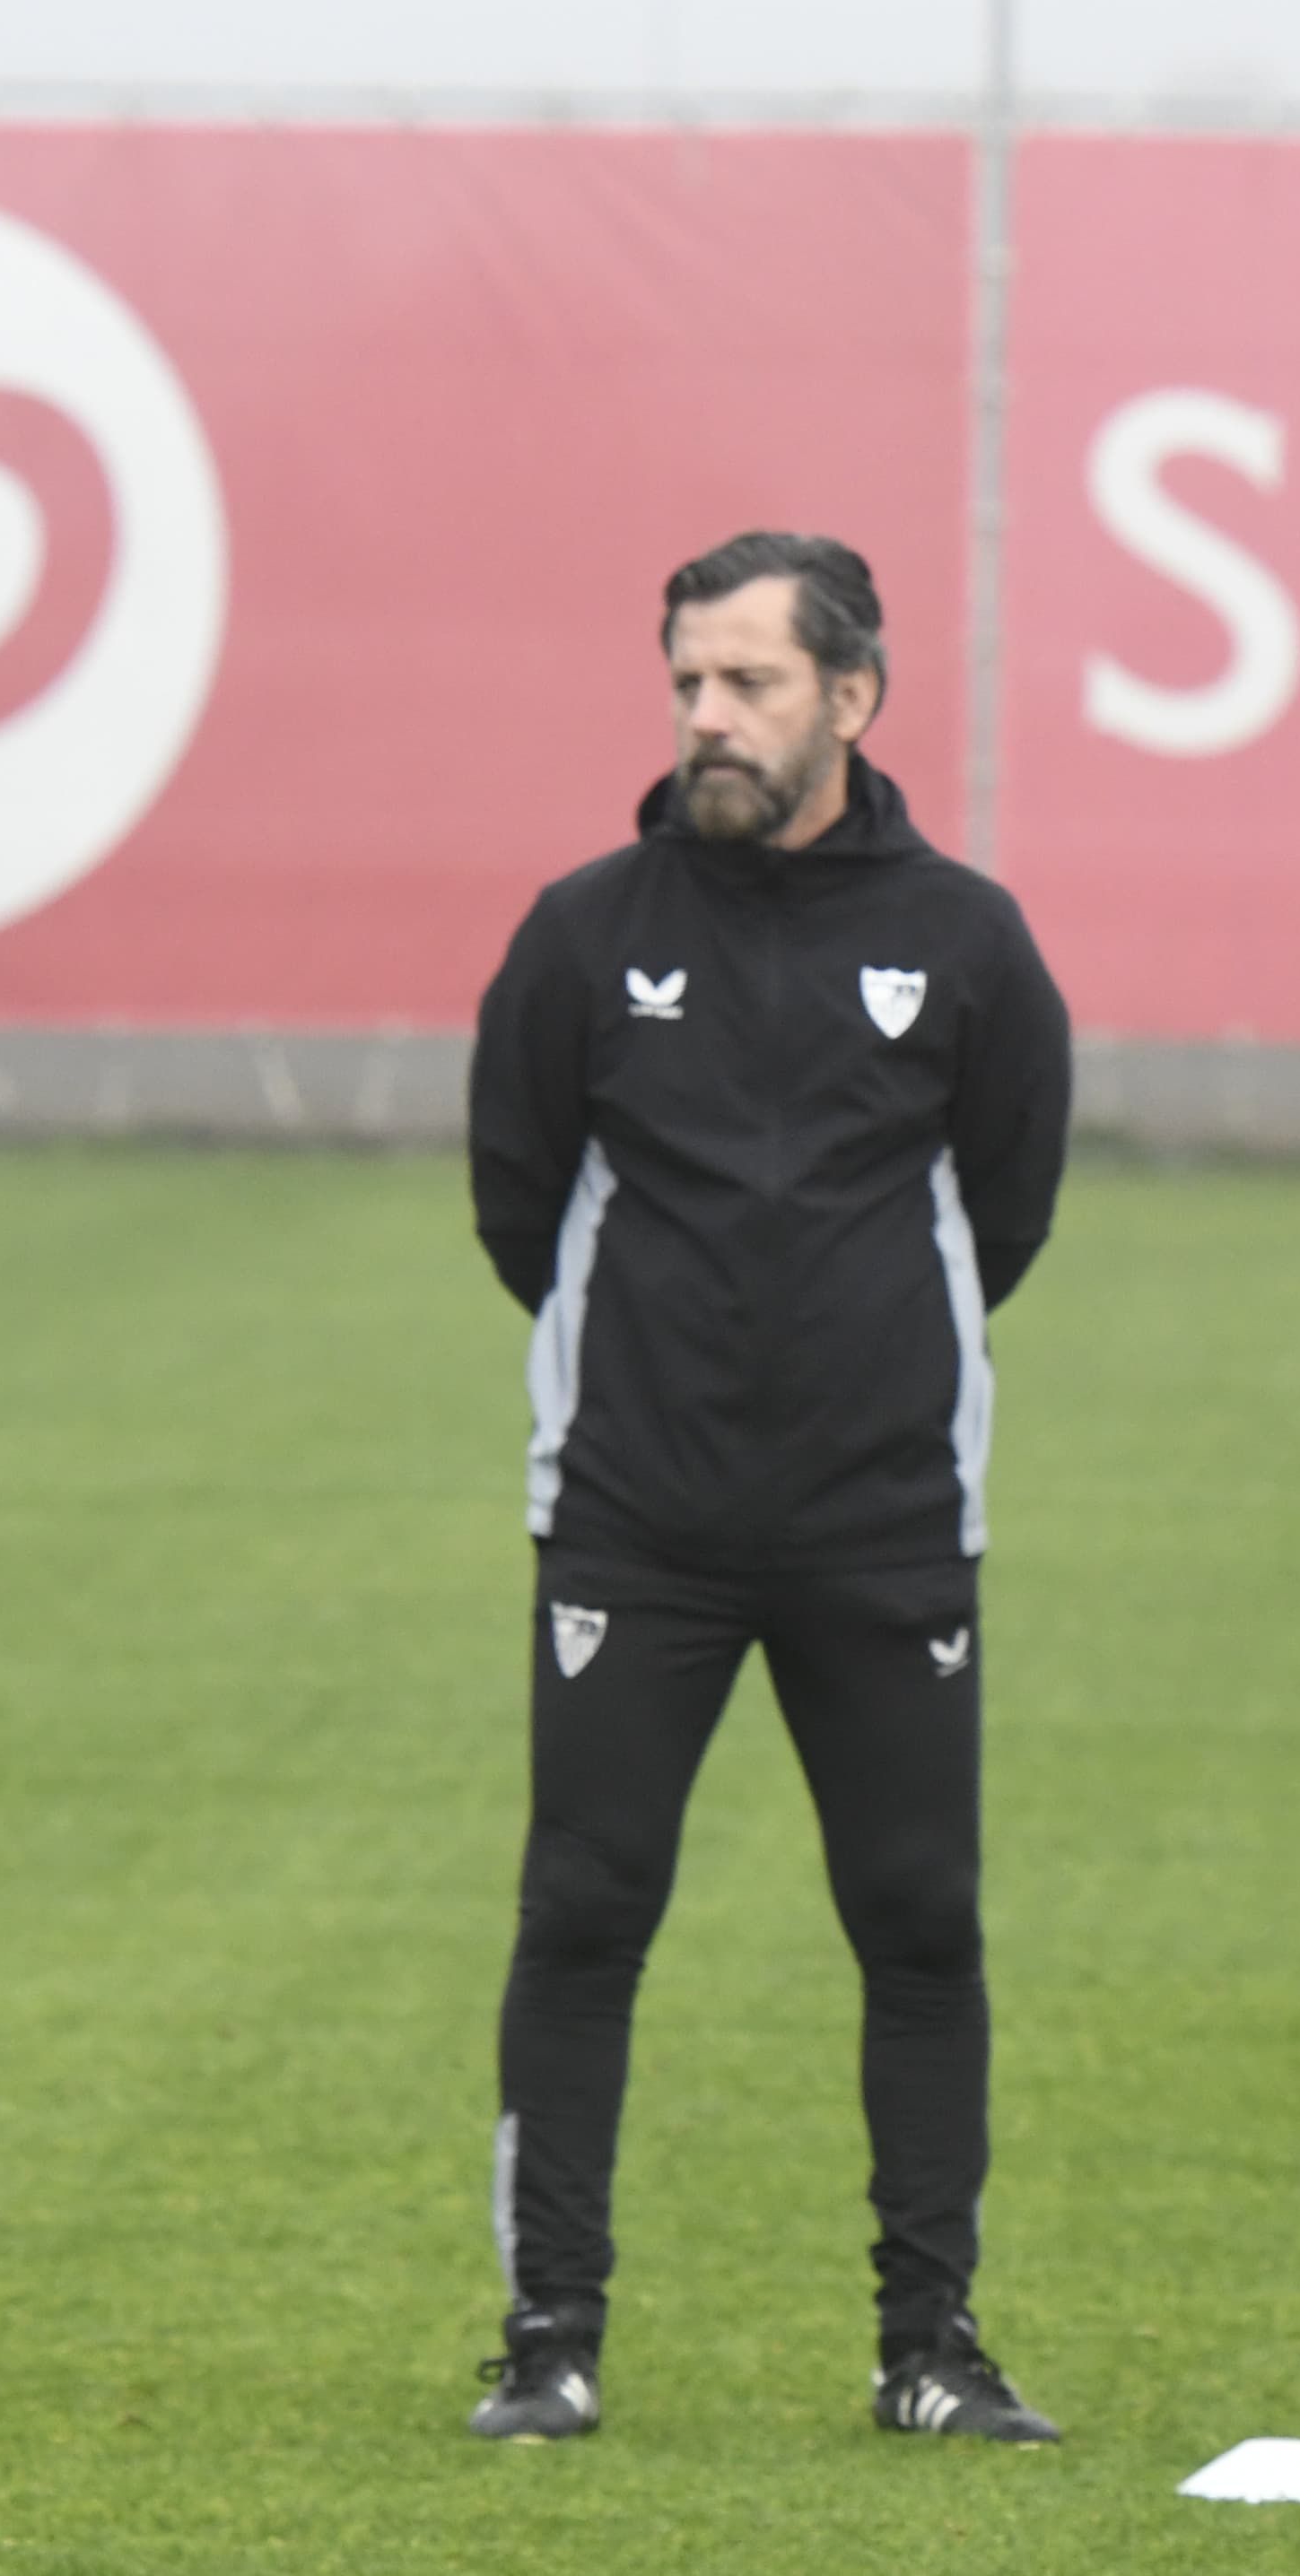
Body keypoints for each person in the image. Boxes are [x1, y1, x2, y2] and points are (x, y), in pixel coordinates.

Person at [459, 532, 1074, 2447]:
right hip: (633, 1527)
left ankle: (931, 2351)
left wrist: (859, 1379)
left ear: (852, 699)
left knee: (917, 1921)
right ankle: (548, 2338)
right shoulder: (582, 932)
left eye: (749, 685)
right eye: (688, 685)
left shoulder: (966, 942)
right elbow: (519, 1208)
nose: (709, 720)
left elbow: (1007, 1202)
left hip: (887, 1529)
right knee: (582, 1912)